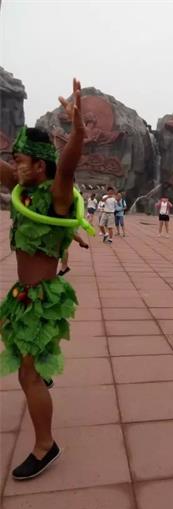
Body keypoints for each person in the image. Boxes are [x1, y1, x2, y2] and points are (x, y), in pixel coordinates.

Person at [0, 78, 85, 480]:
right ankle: (42, 372)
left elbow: (67, 165)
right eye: (13, 161)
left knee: (27, 375)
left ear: (39, 166)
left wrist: (78, 131)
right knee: (22, 356)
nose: (15, 166)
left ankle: (45, 446)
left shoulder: (57, 196)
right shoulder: (22, 187)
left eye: (21, 161)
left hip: (41, 299)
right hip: (21, 295)